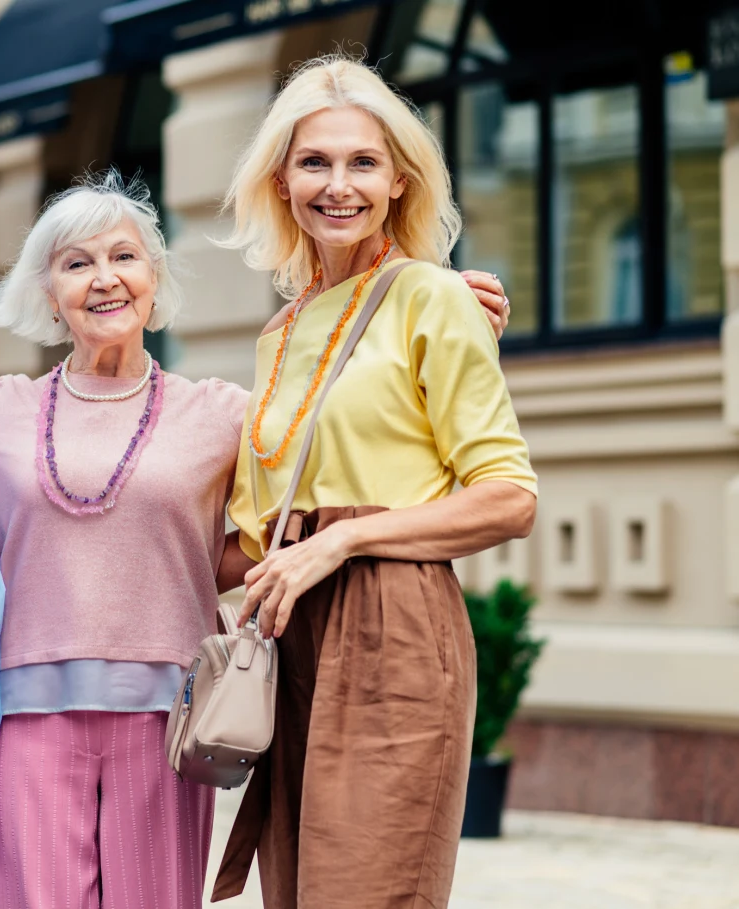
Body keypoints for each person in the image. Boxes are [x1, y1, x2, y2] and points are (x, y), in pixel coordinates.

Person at [0, 170, 512, 907]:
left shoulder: (227, 413)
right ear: (48, 294)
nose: (103, 279)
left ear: (155, 283)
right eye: (76, 263)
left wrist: (438, 304)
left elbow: (323, 449)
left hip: (170, 729)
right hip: (18, 727)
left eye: (124, 257)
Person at [209, 56, 538, 908]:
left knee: (367, 891)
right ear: (281, 180)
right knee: (296, 890)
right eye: (315, 162)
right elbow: (254, 536)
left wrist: (344, 538)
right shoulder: (278, 333)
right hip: (292, 639)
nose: (339, 185)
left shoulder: (433, 297)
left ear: (399, 180)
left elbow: (509, 495)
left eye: (363, 162)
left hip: (394, 619)